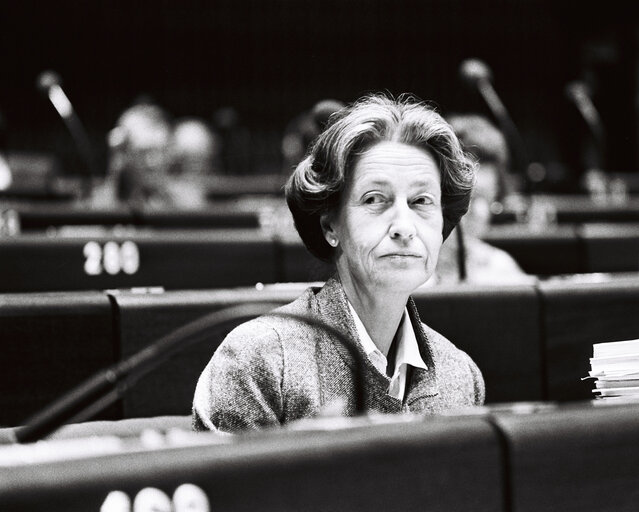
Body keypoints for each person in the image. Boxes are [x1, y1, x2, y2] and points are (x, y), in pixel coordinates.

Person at [193, 94, 485, 431]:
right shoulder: (260, 359)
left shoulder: (461, 376)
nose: (405, 227)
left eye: (422, 201)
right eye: (375, 199)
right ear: (331, 225)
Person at [428, 114, 530, 285]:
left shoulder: (501, 268)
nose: (481, 212)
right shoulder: (409, 273)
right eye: (471, 199)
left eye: (491, 200)